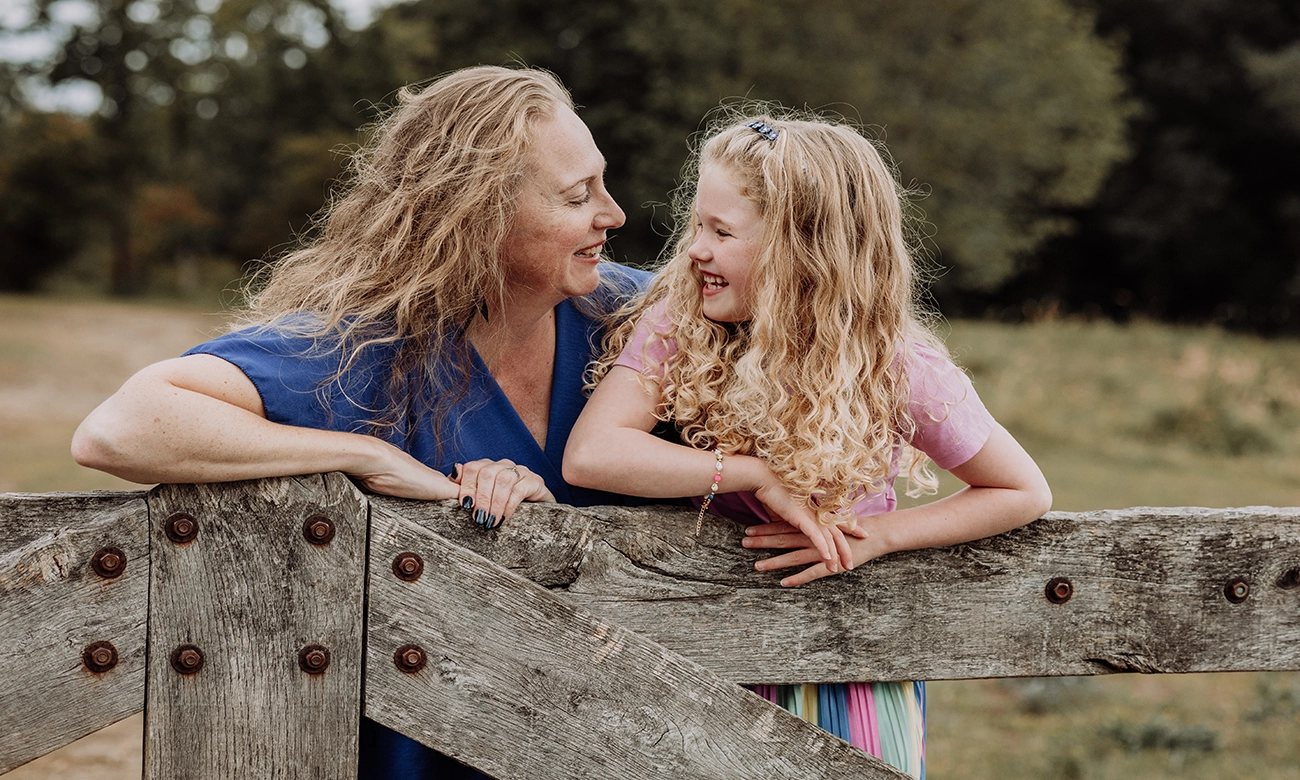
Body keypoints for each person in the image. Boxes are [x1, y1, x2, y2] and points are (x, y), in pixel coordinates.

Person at [71, 65, 739, 779]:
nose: (614, 214)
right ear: (481, 214)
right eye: (578, 196)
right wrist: (366, 456)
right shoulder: (369, 350)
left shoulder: (639, 323)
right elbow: (122, 427)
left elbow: (830, 381)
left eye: (600, 185)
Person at [562, 110, 1053, 778]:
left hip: (847, 662)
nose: (694, 250)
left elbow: (1022, 489)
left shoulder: (895, 365)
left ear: (802, 246)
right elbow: (593, 454)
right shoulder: (680, 323)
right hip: (697, 649)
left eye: (720, 231)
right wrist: (752, 473)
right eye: (696, 225)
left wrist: (879, 538)